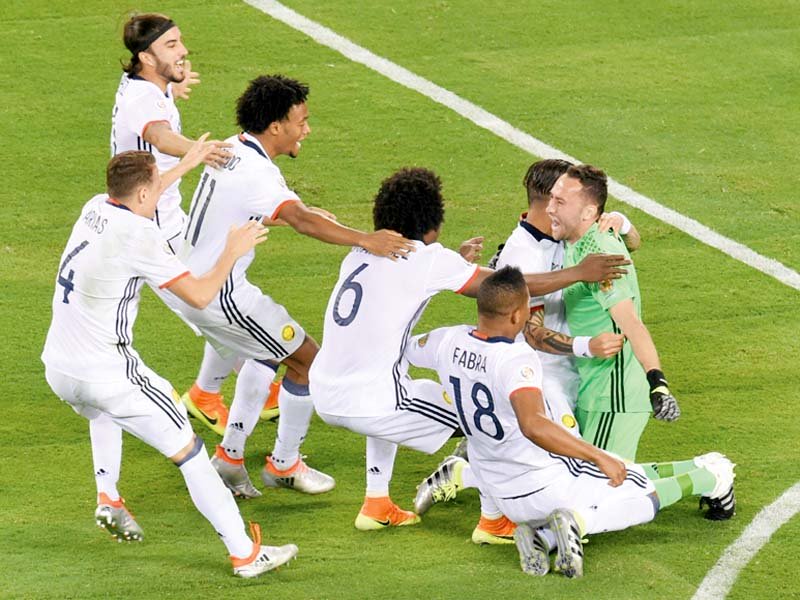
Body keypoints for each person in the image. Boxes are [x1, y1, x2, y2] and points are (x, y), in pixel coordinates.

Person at [309, 167, 632, 531]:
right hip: (371, 400)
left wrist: (455, 263)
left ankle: (377, 502)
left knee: (396, 388)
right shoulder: (428, 259)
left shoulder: (359, 251)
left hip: (326, 387)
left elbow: (406, 282)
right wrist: (578, 273)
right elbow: (508, 286)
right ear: (433, 223)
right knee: (495, 413)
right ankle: (493, 520)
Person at [41, 144, 297, 578]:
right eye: (157, 187)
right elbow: (198, 295)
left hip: (59, 367)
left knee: (102, 413)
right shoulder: (140, 236)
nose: (160, 193)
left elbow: (141, 190)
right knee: (191, 453)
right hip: (109, 372)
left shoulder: (93, 208)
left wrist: (187, 164)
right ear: (143, 195)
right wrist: (231, 251)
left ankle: (109, 497)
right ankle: (245, 555)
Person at [172, 74, 417, 499]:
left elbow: (255, 207)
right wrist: (366, 239)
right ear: (275, 127)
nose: (307, 129)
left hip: (193, 285)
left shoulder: (235, 150)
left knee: (266, 357)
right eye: (300, 121)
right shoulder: (258, 173)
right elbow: (301, 220)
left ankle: (230, 460)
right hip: (220, 294)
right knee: (307, 361)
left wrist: (288, 212)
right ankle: (284, 464)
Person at [405, 267, 735, 578]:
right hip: (545, 485)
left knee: (624, 470)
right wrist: (596, 455)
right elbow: (533, 424)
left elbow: (402, 348)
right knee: (642, 495)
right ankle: (581, 519)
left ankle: (547, 538)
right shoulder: (516, 359)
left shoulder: (446, 341)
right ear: (518, 315)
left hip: (497, 489)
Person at [111, 12, 238, 435]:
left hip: (164, 223)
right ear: (146, 55)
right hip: (154, 235)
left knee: (224, 307)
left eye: (180, 40)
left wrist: (173, 84)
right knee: (221, 316)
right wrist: (196, 152)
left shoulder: (147, 85)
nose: (182, 50)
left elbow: (153, 116)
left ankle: (208, 393)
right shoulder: (144, 100)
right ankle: (220, 390)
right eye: (170, 46)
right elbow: (160, 135)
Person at [548, 164, 679, 461]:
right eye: (551, 198)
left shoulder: (600, 256)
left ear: (587, 212)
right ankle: (708, 474)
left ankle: (708, 476)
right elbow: (634, 242)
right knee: (588, 480)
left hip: (613, 393)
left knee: (601, 490)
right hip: (593, 386)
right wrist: (625, 224)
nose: (550, 208)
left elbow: (632, 323)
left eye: (560, 202)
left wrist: (658, 384)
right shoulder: (580, 239)